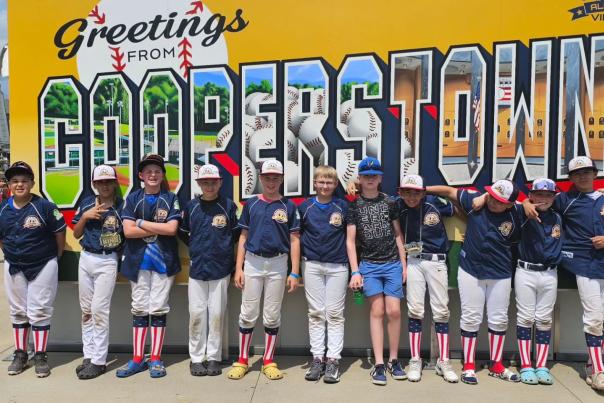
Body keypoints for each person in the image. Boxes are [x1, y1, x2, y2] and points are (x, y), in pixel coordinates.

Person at [427, 179, 521, 384]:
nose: (494, 202)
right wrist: (424, 189)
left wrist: (529, 205)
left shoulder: (518, 212)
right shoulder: (475, 201)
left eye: (499, 200)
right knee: (471, 317)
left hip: (501, 272)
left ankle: (496, 364)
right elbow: (448, 191)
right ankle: (469, 365)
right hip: (471, 270)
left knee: (499, 319)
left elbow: (540, 203)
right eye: (492, 197)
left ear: (510, 203)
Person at [523, 156, 604, 391]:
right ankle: (599, 370)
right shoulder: (565, 200)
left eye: (587, 171)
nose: (583, 176)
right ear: (570, 178)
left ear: (595, 173)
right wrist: (526, 205)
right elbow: (535, 202)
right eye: (577, 173)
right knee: (594, 318)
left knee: (601, 319)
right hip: (584, 264)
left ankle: (592, 365)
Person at [227, 159, 301, 381]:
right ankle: (242, 359)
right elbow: (243, 236)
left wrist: (295, 271)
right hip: (253, 261)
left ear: (281, 179)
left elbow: (295, 240)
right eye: (267, 177)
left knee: (271, 314)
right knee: (248, 313)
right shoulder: (252, 204)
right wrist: (238, 268)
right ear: (260, 178)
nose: (271, 181)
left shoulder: (288, 206)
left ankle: (268, 360)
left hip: (278, 263)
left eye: (275, 177)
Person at [116, 154, 181, 378]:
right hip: (138, 262)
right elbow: (128, 231)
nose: (152, 175)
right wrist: (156, 227)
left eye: (157, 171)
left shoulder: (170, 198)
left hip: (163, 261)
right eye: (148, 171)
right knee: (140, 308)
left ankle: (155, 358)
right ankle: (137, 358)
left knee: (159, 308)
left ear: (163, 175)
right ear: (141, 175)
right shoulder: (133, 198)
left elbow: (172, 229)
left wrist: (141, 222)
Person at [0, 161, 66, 377]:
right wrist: (11, 254)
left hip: (43, 263)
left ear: (32, 183)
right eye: (15, 181)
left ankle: (40, 355)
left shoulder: (44, 206)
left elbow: (59, 233)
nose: (20, 184)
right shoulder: (2, 208)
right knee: (18, 310)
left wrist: (55, 258)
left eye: (24, 180)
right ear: (9, 184)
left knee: (39, 310)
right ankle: (20, 354)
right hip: (14, 264)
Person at [346, 157, 407, 386]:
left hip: (392, 264)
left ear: (381, 178)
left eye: (374, 175)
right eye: (366, 175)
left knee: (394, 311)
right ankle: (379, 363)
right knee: (377, 311)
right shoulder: (353, 204)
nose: (370, 179)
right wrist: (355, 271)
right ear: (359, 179)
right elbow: (350, 241)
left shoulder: (390, 202)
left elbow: (398, 234)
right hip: (369, 266)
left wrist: (403, 264)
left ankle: (393, 359)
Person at [396, 174, 458, 383]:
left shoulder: (434, 203)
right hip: (413, 260)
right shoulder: (398, 205)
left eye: (416, 192)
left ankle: (444, 360)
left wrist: (429, 190)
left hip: (436, 261)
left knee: (441, 310)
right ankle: (415, 359)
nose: (411, 196)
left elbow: (456, 206)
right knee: (415, 309)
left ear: (424, 192)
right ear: (400, 192)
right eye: (407, 191)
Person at [180, 164, 239, 377]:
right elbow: (183, 233)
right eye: (205, 182)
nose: (209, 185)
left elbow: (234, 235)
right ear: (199, 184)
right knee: (196, 314)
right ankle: (196, 358)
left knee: (216, 314)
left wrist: (221, 252)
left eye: (213, 182)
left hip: (221, 268)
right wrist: (198, 249)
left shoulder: (228, 206)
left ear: (220, 182)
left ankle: (213, 357)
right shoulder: (192, 206)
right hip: (197, 268)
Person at [71, 165, 124, 379]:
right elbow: (75, 234)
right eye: (100, 182)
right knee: (86, 310)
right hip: (86, 257)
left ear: (114, 183)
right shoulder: (86, 203)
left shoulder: (122, 206)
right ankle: (89, 355)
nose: (105, 185)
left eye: (108, 181)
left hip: (107, 260)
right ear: (94, 184)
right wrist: (86, 216)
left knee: (99, 311)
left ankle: (99, 360)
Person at [298, 165, 349, 383]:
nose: (325, 185)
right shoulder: (305, 207)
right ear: (314, 183)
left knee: (335, 314)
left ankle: (333, 361)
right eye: (321, 181)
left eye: (329, 182)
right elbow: (296, 238)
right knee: (316, 313)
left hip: (338, 266)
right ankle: (317, 358)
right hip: (312, 265)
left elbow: (351, 238)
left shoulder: (343, 206)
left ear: (336, 184)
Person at [509, 178, 561, 385]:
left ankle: (541, 365)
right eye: (538, 194)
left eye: (548, 195)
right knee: (525, 318)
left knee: (545, 319)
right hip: (526, 271)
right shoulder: (522, 212)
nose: (543, 199)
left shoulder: (558, 215)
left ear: (553, 197)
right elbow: (507, 202)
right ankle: (526, 365)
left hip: (550, 274)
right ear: (530, 195)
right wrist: (525, 205)